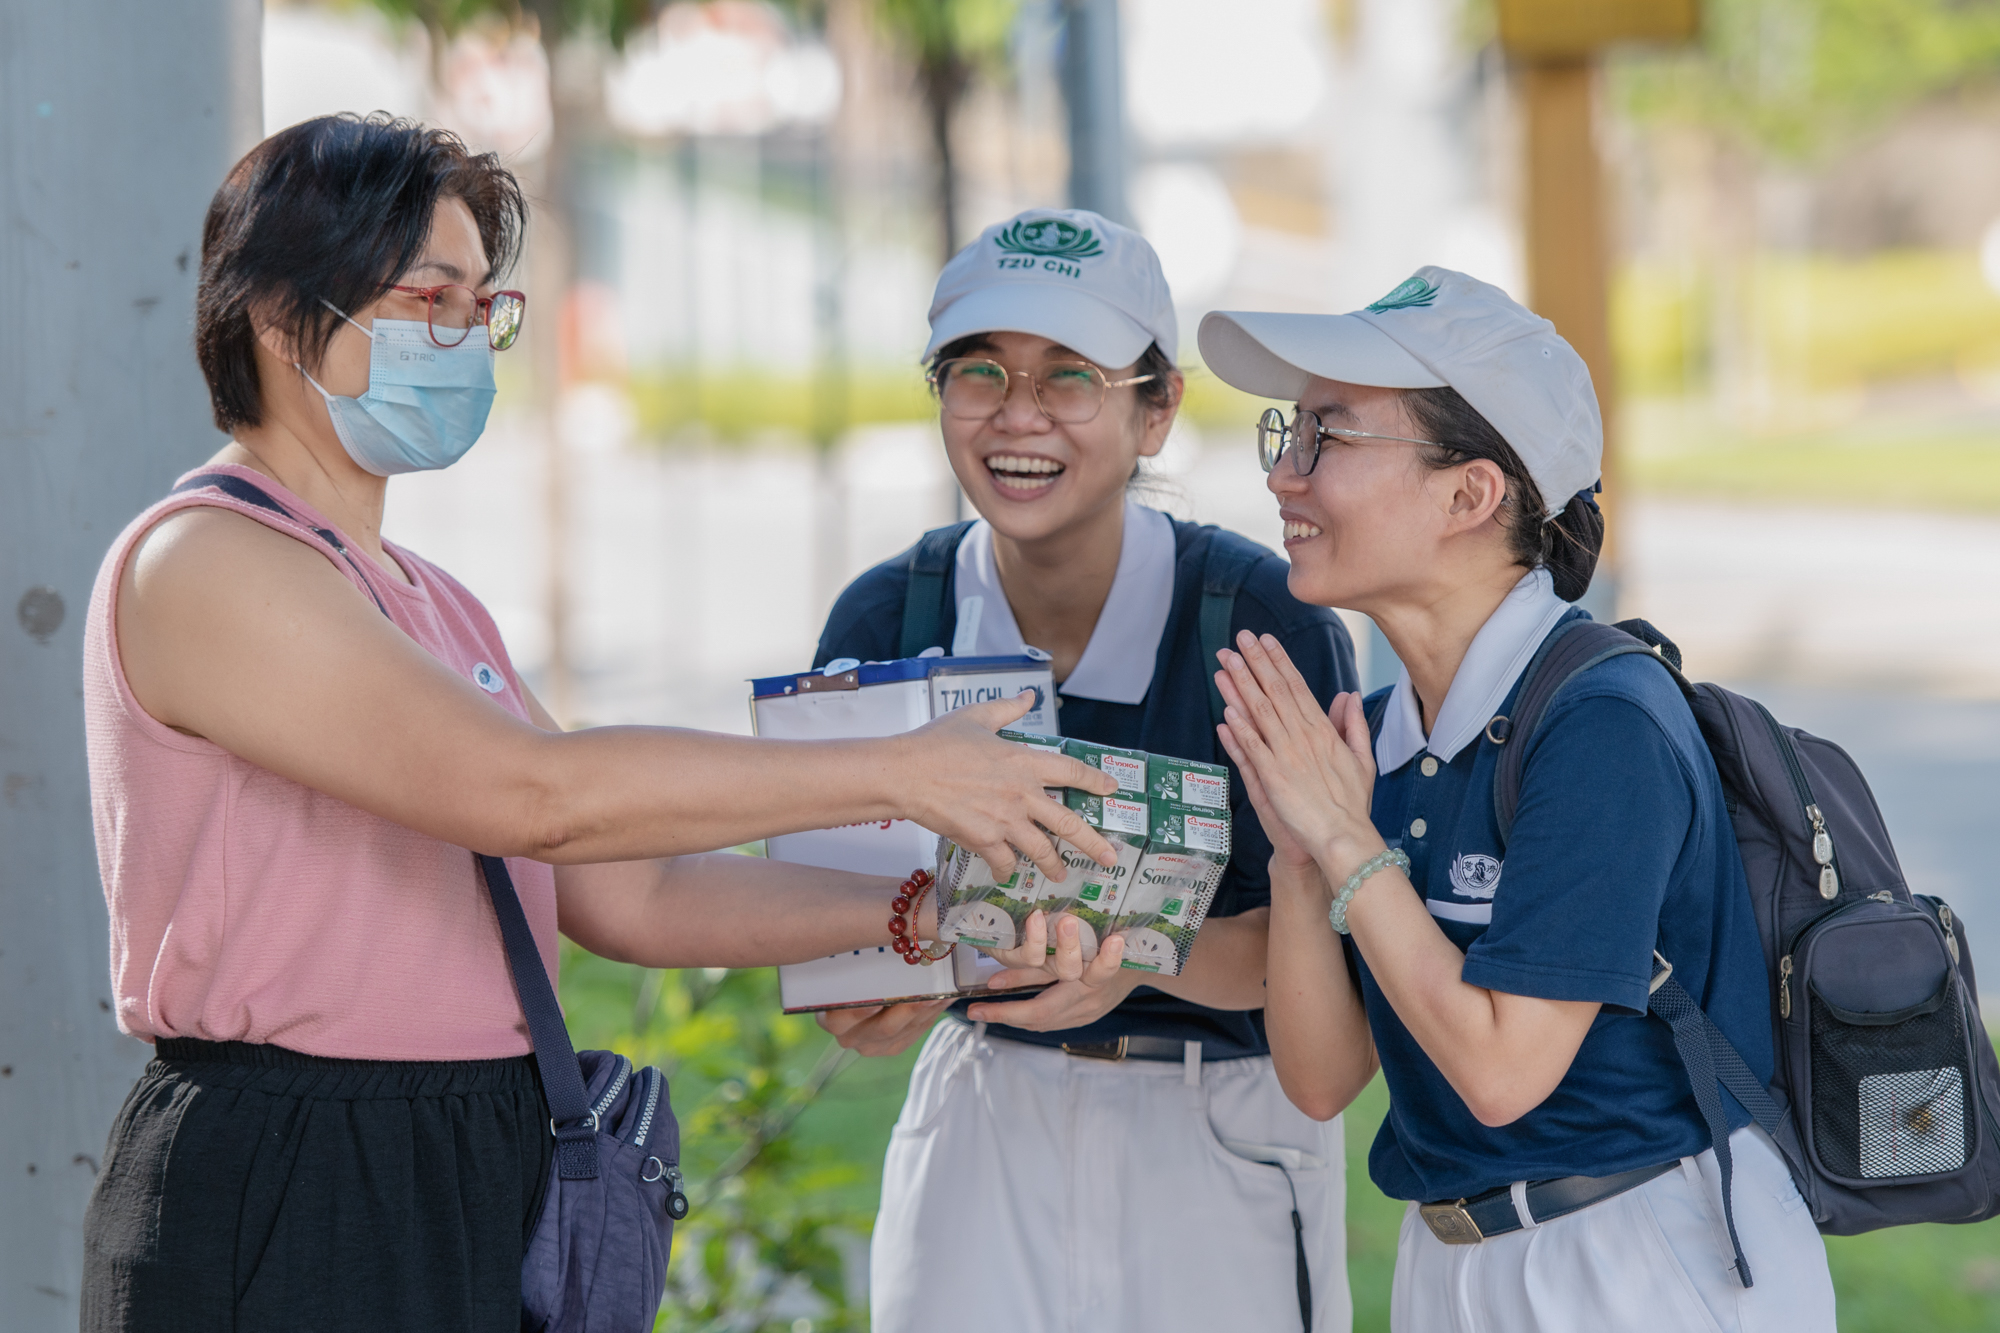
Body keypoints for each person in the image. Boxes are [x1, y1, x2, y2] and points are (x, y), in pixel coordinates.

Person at [78, 115, 1123, 1333]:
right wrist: (903, 775)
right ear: (275, 313)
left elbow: (636, 891)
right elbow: (537, 797)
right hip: (298, 1172)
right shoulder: (207, 560)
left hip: (466, 1153)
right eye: (429, 298)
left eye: (481, 304)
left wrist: (944, 920)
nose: (464, 335)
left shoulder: (425, 600)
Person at [1197, 268, 1838, 1331]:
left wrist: (1344, 838)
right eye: (1288, 432)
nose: (1282, 475)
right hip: (1450, 1262)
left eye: (1327, 436)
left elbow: (1500, 1072)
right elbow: (1321, 1078)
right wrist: (1303, 856)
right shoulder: (1378, 732)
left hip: (1641, 1264)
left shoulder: (1601, 720)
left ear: (1469, 495)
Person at [812, 208, 1361, 1332]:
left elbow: (1323, 943)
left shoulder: (1257, 623)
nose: (1018, 413)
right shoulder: (887, 620)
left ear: (1157, 410)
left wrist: (1136, 960)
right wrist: (869, 986)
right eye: (979, 371)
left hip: (1218, 1132)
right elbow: (840, 915)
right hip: (981, 1122)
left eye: (1071, 376)